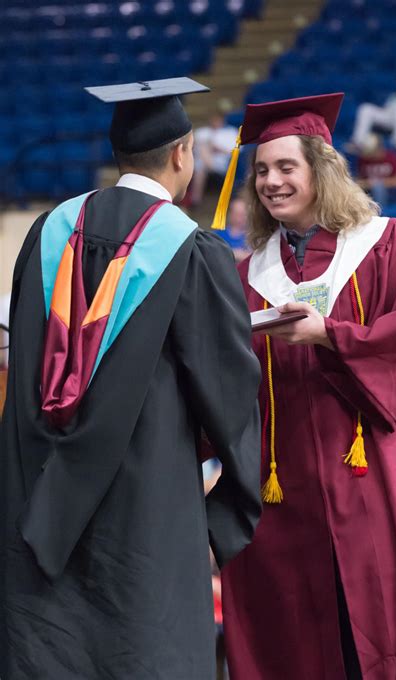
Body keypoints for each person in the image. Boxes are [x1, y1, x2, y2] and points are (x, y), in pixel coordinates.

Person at [0, 77, 262, 679]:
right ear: (181, 155)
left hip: (35, 500)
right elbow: (229, 396)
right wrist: (225, 509)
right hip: (147, 514)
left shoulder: (47, 234)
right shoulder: (192, 250)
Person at [213, 93, 396, 678]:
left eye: (285, 167)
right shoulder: (246, 275)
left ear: (320, 169)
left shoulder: (390, 245)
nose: (271, 181)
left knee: (381, 630)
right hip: (281, 492)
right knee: (294, 640)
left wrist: (332, 336)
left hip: (370, 476)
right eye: (262, 171)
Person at [349, 72, 396, 150]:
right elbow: (385, 110)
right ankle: (357, 141)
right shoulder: (395, 96)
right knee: (365, 108)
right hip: (389, 118)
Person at [191, 112, 239, 206]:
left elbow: (235, 151)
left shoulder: (230, 133)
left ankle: (195, 198)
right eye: (214, 119)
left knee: (202, 160)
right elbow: (193, 146)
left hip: (222, 163)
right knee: (201, 160)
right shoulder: (202, 131)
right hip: (199, 162)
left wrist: (217, 149)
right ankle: (196, 199)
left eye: (218, 120)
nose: (216, 122)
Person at [355, 133, 396, 207]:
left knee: (378, 188)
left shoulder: (392, 158)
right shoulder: (363, 160)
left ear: (379, 148)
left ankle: (380, 211)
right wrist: (367, 183)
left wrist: (379, 183)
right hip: (368, 193)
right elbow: (359, 180)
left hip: (390, 194)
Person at [218, 195, 251, 263]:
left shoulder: (253, 236)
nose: (240, 218)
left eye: (243, 214)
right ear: (229, 214)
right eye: (236, 214)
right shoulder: (218, 235)